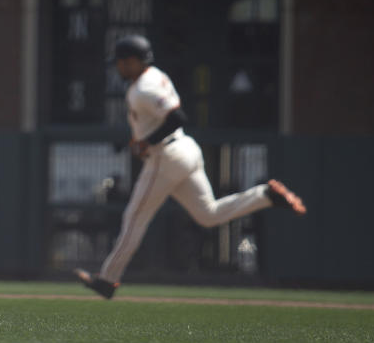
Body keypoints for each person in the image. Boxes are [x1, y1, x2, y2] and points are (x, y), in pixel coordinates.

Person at [75, 35, 306, 300]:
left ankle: (107, 280)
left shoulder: (143, 89)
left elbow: (176, 117)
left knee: (134, 218)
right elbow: (169, 117)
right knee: (208, 214)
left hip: (166, 157)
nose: (118, 67)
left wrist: (146, 141)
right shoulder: (153, 76)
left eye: (121, 62)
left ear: (132, 61)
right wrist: (142, 138)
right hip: (185, 150)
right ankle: (265, 195)